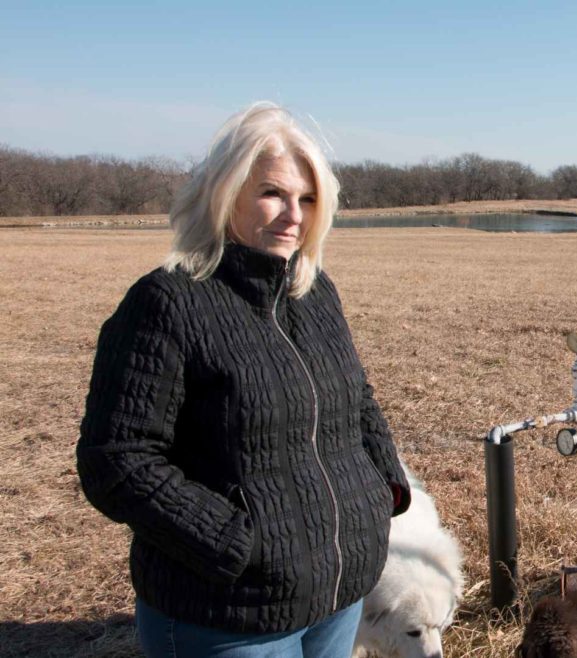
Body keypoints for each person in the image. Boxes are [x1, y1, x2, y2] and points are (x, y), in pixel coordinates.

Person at [77, 102, 411, 657]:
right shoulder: (168, 302)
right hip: (228, 613)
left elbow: (358, 401)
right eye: (272, 194)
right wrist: (235, 542)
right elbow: (116, 459)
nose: (293, 216)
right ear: (225, 193)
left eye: (307, 199)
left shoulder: (314, 291)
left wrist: (382, 492)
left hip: (339, 596)